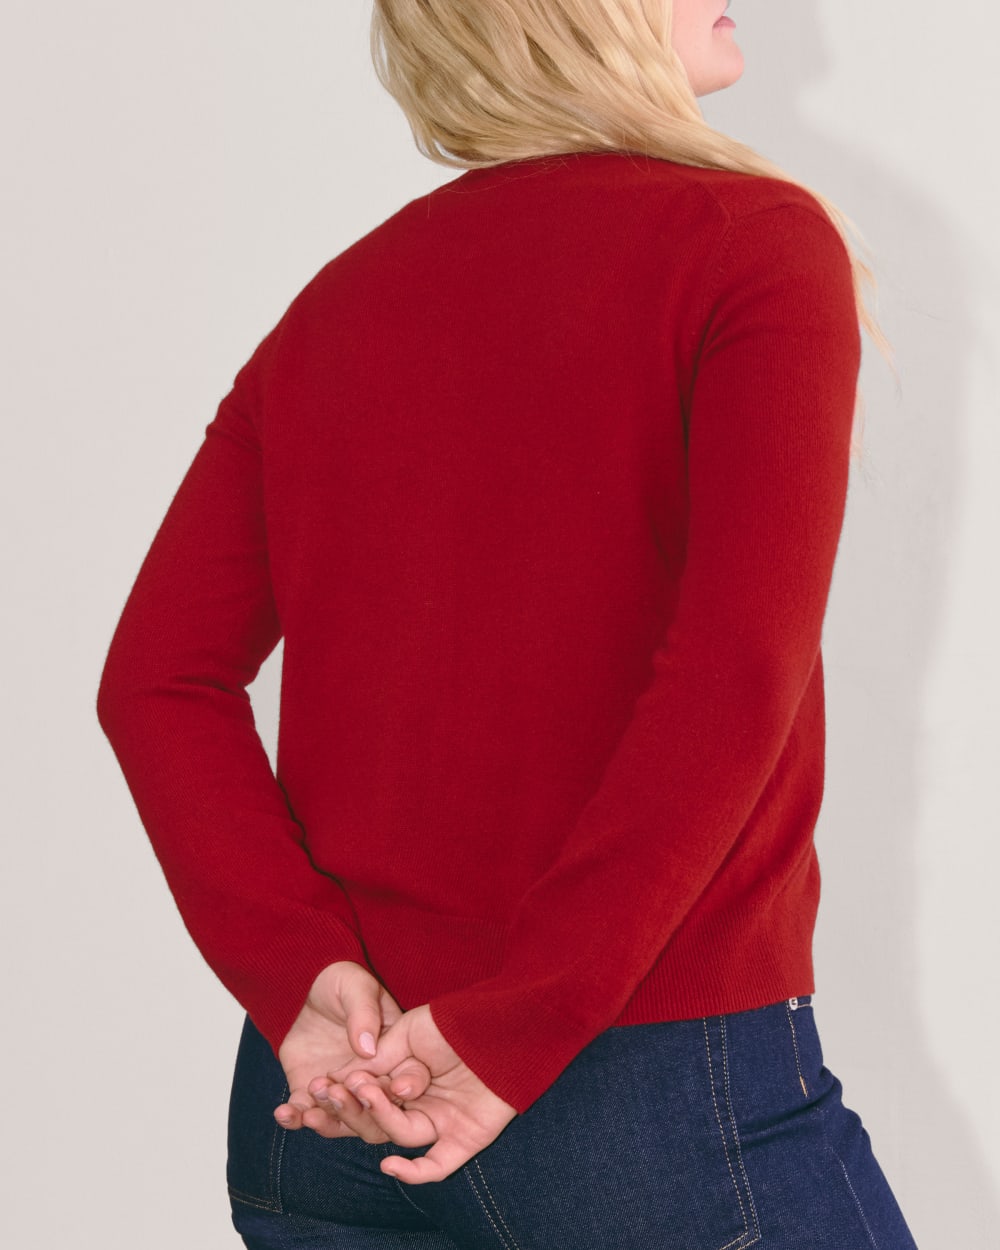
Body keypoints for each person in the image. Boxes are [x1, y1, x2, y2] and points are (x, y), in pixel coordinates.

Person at [96, 1, 921, 1246]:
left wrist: (299, 973)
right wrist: (520, 1019)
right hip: (645, 1098)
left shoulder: (340, 300)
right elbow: (732, 670)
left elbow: (156, 678)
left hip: (332, 1094)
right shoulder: (751, 241)